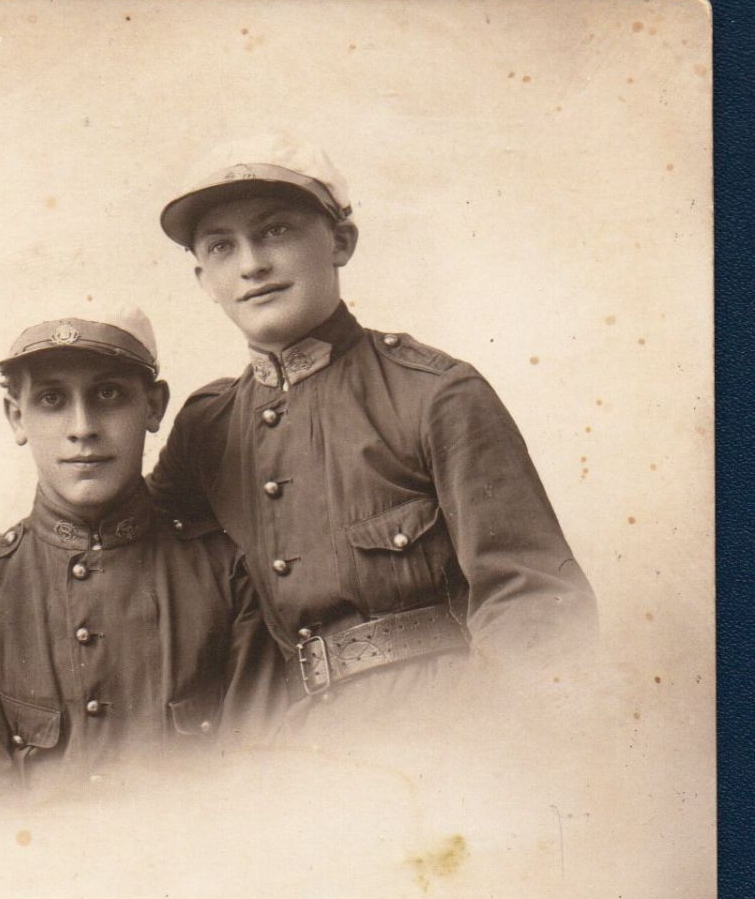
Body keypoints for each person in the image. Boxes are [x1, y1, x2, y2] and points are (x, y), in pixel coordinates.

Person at [149, 135, 597, 728]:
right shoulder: (207, 426)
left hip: (442, 726)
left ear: (340, 241)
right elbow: (138, 558)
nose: (252, 264)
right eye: (222, 246)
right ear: (204, 279)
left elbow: (533, 599)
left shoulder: (434, 392)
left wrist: (501, 759)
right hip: (290, 747)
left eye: (276, 231)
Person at [0, 308, 280, 799]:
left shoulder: (226, 573)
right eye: (51, 399)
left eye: (108, 395)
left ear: (153, 407)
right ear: (16, 416)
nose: (82, 427)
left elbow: (259, 786)